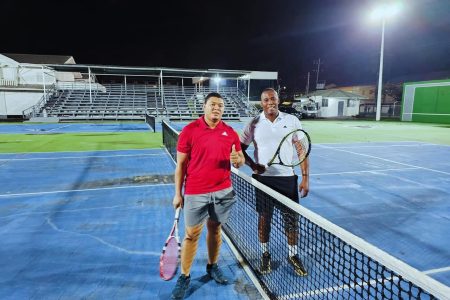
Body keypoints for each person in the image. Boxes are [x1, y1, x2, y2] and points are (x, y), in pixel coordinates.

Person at [171, 92, 245, 300]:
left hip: (223, 192)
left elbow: (240, 160)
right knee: (191, 234)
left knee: (215, 229)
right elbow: (181, 166)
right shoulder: (189, 131)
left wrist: (238, 160)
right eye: (213, 104)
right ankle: (185, 277)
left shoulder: (230, 133)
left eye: (220, 105)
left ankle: (212, 266)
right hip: (195, 192)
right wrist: (178, 194)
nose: (217, 108)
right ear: (204, 107)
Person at [240, 88, 310, 276]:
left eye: (273, 98)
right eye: (265, 100)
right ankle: (265, 254)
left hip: (287, 179)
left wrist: (305, 178)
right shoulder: (253, 124)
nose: (270, 102)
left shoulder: (292, 120)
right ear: (260, 103)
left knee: (291, 220)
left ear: (278, 100)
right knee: (264, 219)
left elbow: (302, 150)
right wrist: (253, 165)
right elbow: (240, 149)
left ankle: (293, 255)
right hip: (262, 180)